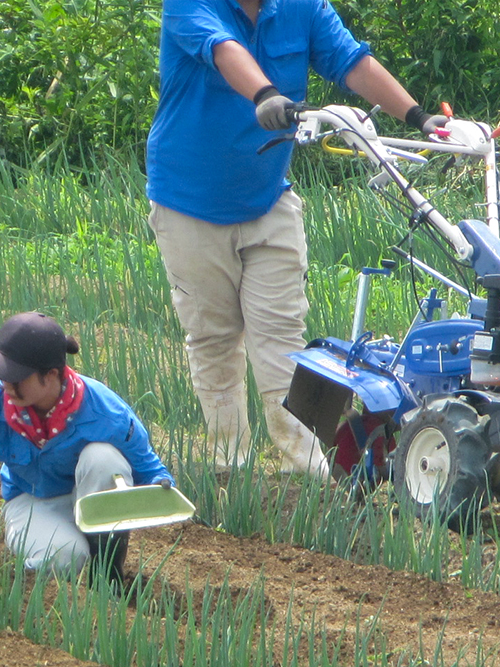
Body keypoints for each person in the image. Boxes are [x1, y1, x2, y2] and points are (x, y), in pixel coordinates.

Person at [146, 0, 450, 476]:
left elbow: (353, 62)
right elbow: (224, 50)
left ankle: (307, 468)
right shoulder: (189, 5)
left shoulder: (302, 7)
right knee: (214, 338)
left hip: (268, 200)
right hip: (189, 205)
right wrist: (265, 93)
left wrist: (417, 117)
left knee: (284, 336)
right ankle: (231, 464)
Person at [0, 312, 175, 582]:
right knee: (65, 557)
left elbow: (149, 468)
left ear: (51, 376)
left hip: (88, 499)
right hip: (31, 502)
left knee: (104, 459)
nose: (6, 386)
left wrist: (161, 484)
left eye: (16, 377)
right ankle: (29, 577)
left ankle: (107, 576)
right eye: (1, 375)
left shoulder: (105, 411)